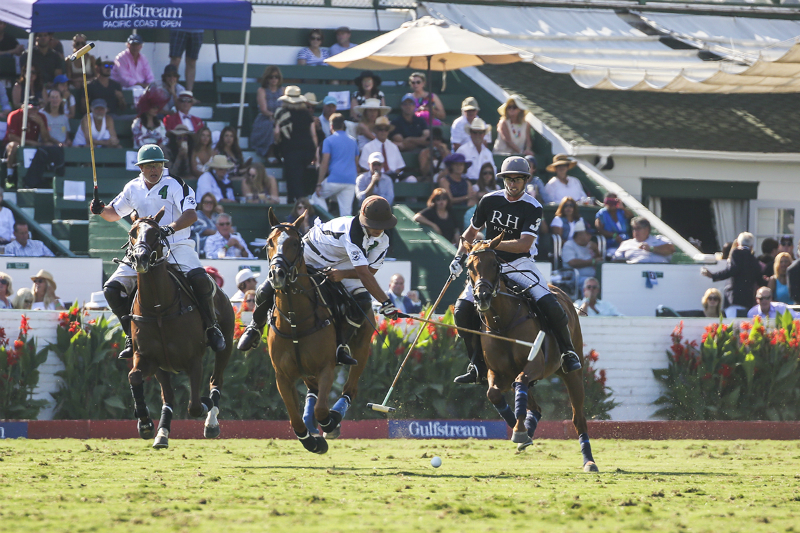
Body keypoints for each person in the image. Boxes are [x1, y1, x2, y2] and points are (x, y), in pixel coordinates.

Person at [449, 156, 582, 384]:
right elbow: (471, 232)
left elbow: (524, 244)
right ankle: (476, 363)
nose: (513, 184)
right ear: (503, 180)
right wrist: (459, 256)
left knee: (549, 302)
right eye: (509, 179)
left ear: (525, 180)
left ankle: (567, 352)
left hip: (519, 263)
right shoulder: (488, 201)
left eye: (518, 180)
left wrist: (490, 245)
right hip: (489, 265)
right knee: (461, 309)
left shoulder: (533, 206)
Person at [90, 144, 226, 358]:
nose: (154, 170)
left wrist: (168, 229)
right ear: (141, 168)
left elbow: (191, 216)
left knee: (200, 279)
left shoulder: (176, 184)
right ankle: (130, 334)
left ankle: (212, 327)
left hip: (176, 245)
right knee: (111, 290)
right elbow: (113, 214)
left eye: (158, 165)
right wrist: (100, 210)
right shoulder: (132, 188)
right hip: (143, 248)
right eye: (149, 166)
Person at [237, 196, 402, 367]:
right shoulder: (351, 231)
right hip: (311, 253)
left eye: (382, 225)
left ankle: (340, 346)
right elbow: (363, 273)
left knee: (363, 301)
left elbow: (370, 272)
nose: (378, 229)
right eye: (373, 224)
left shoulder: (383, 241)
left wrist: (343, 274)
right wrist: (386, 303)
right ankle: (255, 327)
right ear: (362, 219)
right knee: (269, 286)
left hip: (343, 262)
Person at [701, 231, 764, 318]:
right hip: (748, 301)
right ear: (752, 246)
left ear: (738, 243)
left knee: (732, 326)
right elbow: (760, 280)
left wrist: (713, 275)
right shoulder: (754, 260)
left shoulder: (736, 252)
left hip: (734, 299)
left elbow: (731, 270)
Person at [274, 86, 317, 203]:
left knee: (293, 177)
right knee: (300, 176)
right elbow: (313, 134)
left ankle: (296, 201)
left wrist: (277, 142)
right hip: (308, 150)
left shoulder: (281, 113)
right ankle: (299, 201)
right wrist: (315, 152)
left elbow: (277, 132)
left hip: (290, 150)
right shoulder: (307, 114)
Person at [311, 113, 358, 217]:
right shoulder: (353, 141)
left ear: (331, 126)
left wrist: (319, 183)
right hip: (350, 181)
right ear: (343, 125)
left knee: (316, 196)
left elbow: (324, 163)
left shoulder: (328, 140)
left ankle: (329, 220)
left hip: (334, 179)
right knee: (346, 215)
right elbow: (356, 163)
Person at [3, 97, 59, 178]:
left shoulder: (41, 117)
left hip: (34, 145)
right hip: (16, 144)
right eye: (31, 109)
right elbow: (11, 137)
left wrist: (41, 124)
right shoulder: (14, 115)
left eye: (36, 109)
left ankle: (48, 175)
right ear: (23, 107)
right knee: (13, 145)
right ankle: (10, 174)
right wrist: (32, 143)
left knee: (49, 145)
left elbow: (46, 138)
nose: (33, 112)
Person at [250, 66, 283, 161]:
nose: (274, 79)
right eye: (271, 77)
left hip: (280, 118)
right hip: (266, 117)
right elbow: (263, 109)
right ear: (267, 78)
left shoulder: (283, 90)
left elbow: (285, 106)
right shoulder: (262, 91)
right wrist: (273, 116)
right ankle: (270, 153)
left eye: (276, 77)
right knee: (270, 125)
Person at [561, 219, 602, 288]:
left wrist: (596, 250)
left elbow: (599, 260)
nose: (590, 236)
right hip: (575, 277)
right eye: (588, 234)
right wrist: (593, 261)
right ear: (579, 234)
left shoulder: (590, 245)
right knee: (589, 284)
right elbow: (573, 263)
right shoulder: (569, 245)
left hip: (592, 277)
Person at [456, 118, 495, 182]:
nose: (477, 135)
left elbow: (493, 173)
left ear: (484, 134)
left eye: (480, 132)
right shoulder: (462, 150)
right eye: (474, 132)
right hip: (467, 184)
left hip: (485, 185)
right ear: (470, 133)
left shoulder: (488, 153)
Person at [594, 193, 629, 258]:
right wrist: (614, 235)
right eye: (609, 202)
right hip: (610, 242)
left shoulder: (621, 211)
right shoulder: (602, 213)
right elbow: (599, 230)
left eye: (614, 202)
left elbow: (631, 216)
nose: (612, 204)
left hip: (625, 241)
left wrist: (623, 208)